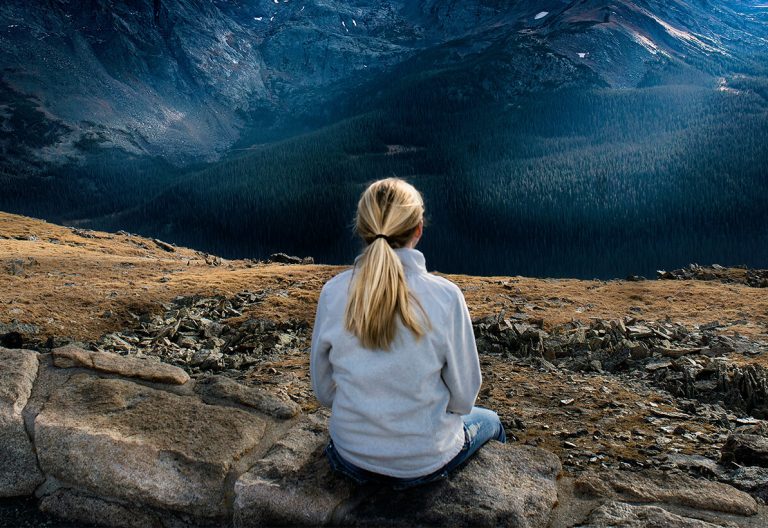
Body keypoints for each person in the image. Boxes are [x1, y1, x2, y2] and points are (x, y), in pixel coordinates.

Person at [310, 177, 505, 490]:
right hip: (424, 460)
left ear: (362, 228)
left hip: (350, 454)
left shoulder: (333, 294)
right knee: (492, 421)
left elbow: (323, 391)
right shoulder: (445, 297)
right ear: (418, 229)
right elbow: (464, 398)